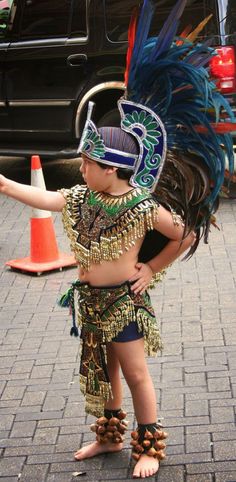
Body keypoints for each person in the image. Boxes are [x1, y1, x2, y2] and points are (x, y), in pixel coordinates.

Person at [0, 0, 235, 479]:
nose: (80, 168)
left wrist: (151, 268)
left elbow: (184, 234)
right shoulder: (83, 197)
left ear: (112, 168)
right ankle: (107, 438)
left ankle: (149, 445)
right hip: (89, 301)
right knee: (103, 374)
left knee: (134, 373)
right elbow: (43, 200)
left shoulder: (142, 206)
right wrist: (4, 184)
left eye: (87, 163)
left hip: (123, 304)